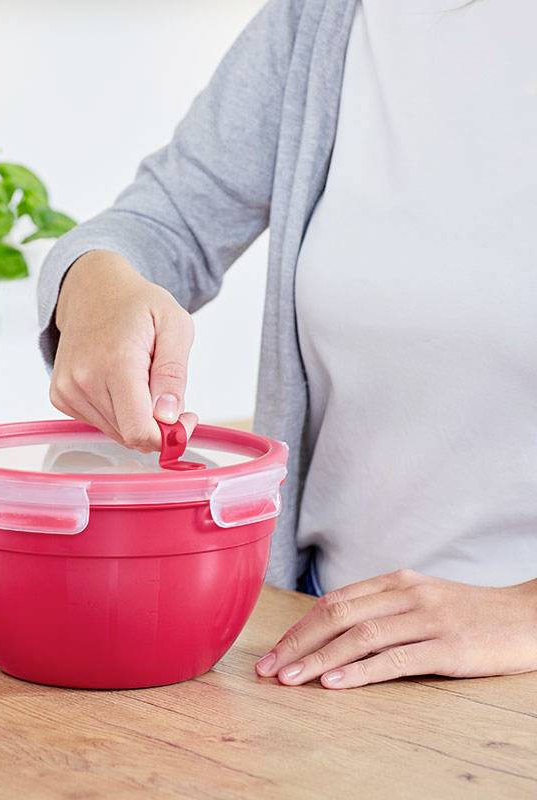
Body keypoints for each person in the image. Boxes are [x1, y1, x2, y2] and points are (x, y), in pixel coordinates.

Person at [36, 0, 537, 689]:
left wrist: (527, 614)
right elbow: (167, 220)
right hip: (322, 658)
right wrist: (92, 284)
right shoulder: (321, 19)